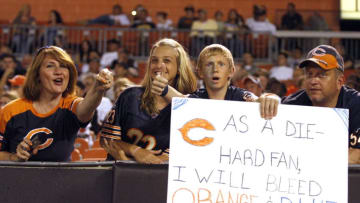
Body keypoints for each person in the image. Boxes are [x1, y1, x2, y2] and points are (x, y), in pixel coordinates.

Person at [0, 46, 113, 162]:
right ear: (37, 74)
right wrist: (13, 157)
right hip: (17, 179)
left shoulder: (70, 105)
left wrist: (98, 89)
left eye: (63, 66)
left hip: (60, 179)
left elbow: (85, 109)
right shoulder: (10, 111)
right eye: (50, 66)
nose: (58, 72)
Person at [99, 38, 197, 164]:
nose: (159, 65)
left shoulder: (189, 106)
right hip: (120, 177)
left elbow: (178, 157)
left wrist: (128, 161)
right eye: (154, 60)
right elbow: (106, 139)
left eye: (167, 60)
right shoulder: (130, 96)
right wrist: (136, 151)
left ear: (179, 67)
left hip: (161, 179)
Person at [152, 44, 279, 120]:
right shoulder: (197, 97)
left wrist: (269, 97)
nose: (215, 69)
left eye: (221, 64)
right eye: (209, 64)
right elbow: (180, 99)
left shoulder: (239, 96)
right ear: (200, 72)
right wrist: (164, 88)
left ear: (231, 71)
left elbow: (257, 100)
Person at [281, 45, 360, 164]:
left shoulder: (356, 105)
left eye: (322, 75)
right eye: (309, 74)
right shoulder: (292, 105)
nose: (313, 81)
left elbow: (355, 156)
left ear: (339, 82)